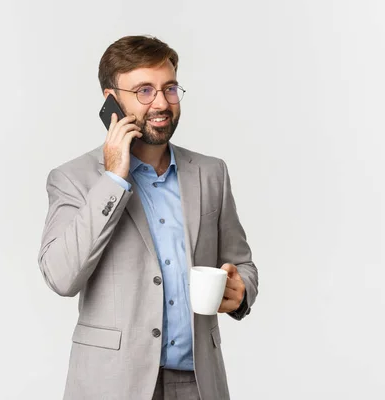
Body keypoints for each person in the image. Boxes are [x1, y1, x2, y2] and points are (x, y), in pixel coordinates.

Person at [37, 35, 259, 400]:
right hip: (113, 384)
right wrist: (113, 179)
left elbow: (241, 262)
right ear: (112, 101)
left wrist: (241, 289)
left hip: (198, 383)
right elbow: (61, 276)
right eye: (144, 91)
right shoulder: (73, 179)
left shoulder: (210, 173)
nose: (161, 103)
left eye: (169, 89)